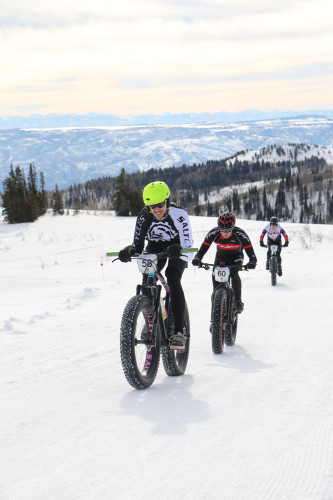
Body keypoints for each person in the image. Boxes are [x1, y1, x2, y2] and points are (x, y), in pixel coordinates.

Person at [118, 181, 193, 350]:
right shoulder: (144, 216)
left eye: (160, 204)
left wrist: (180, 249)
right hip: (155, 245)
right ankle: (151, 318)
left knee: (173, 277)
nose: (157, 209)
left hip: (177, 246)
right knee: (147, 279)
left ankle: (179, 331)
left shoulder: (179, 214)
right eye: (152, 206)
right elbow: (137, 244)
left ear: (167, 201)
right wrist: (129, 250)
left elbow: (188, 246)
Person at [192, 211, 257, 313]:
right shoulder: (214, 233)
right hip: (221, 256)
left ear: (233, 227)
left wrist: (252, 261)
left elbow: (251, 253)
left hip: (237, 256)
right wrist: (197, 258)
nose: (225, 233)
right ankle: (216, 312)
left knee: (234, 273)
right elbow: (202, 249)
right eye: (222, 230)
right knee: (215, 277)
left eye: (228, 230)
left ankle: (237, 301)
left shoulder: (240, 234)